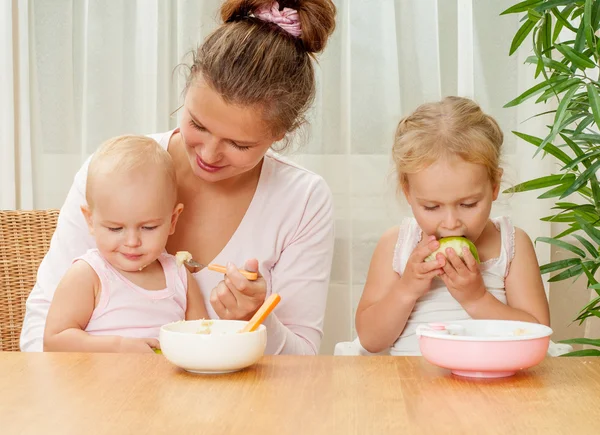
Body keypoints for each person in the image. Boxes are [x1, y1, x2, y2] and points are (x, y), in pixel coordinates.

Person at [21, 0, 337, 355]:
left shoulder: (303, 199)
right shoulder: (113, 170)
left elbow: (304, 362)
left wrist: (261, 320)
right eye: (198, 125)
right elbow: (40, 332)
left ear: (281, 134)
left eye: (238, 144)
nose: (208, 154)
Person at [355, 96, 550, 355]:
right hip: (411, 383)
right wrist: (406, 289)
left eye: (468, 204)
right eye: (432, 207)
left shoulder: (511, 245)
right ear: (408, 192)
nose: (450, 223)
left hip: (496, 385)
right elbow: (370, 339)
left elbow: (537, 336)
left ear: (494, 186)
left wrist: (477, 298)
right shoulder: (397, 245)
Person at [43, 135, 208, 353]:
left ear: (173, 220)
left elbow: (204, 338)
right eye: (115, 228)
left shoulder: (179, 276)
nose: (132, 242)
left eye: (148, 227)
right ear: (90, 220)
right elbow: (54, 341)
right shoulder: (89, 275)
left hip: (166, 387)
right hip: (99, 387)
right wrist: (118, 346)